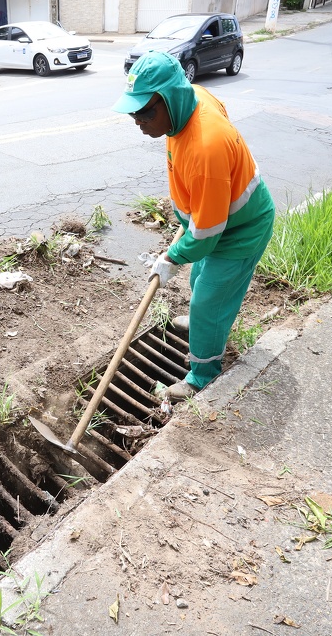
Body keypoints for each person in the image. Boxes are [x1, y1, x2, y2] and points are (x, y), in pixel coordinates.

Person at [112, 51, 274, 400]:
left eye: (145, 111)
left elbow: (206, 236)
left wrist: (171, 257)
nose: (138, 120)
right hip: (214, 220)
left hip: (240, 230)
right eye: (133, 111)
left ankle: (202, 375)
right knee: (200, 278)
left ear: (171, 99)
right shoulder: (192, 98)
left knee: (208, 300)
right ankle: (204, 328)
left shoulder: (206, 148)